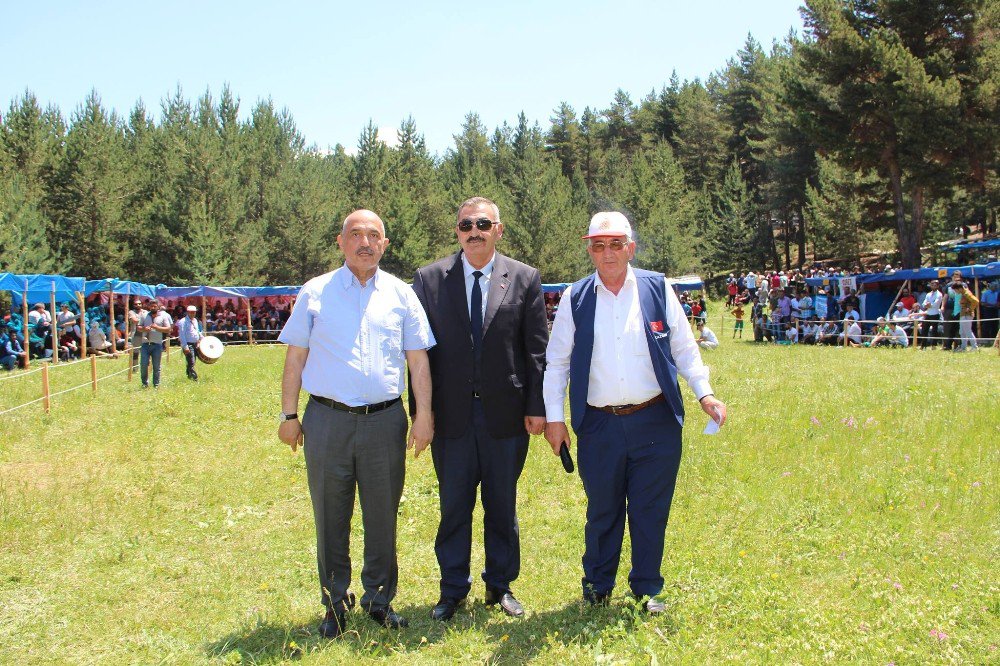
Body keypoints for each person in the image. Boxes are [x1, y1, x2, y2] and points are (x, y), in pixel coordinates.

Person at [543, 212, 727, 613]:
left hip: (655, 421)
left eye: (615, 244)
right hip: (599, 424)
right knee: (603, 510)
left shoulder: (657, 288)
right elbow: (556, 363)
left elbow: (684, 348)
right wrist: (555, 419)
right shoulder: (575, 297)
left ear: (630, 247)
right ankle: (597, 585)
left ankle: (647, 588)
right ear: (589, 249)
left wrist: (705, 394)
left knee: (649, 510)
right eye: (597, 244)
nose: (606, 253)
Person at [277, 209, 434, 639]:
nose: (365, 242)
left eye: (374, 235)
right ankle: (334, 603)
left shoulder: (402, 294)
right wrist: (289, 414)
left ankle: (379, 600)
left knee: (383, 515)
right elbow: (296, 356)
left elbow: (418, 359)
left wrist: (424, 416)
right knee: (330, 514)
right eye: (356, 234)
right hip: (326, 420)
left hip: (385, 421)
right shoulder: (316, 292)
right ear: (341, 241)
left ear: (385, 244)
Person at [411, 196, 547, 622]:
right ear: (457, 231)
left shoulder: (524, 279)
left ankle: (500, 585)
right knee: (453, 506)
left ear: (498, 230)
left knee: (501, 505)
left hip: (506, 416)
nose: (475, 231)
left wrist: (537, 406)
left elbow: (535, 352)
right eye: (467, 224)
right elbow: (417, 356)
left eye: (483, 224)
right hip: (450, 417)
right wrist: (422, 413)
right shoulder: (429, 280)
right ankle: (452, 588)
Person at [139, 300, 172, 388]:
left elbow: (168, 329)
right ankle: (144, 383)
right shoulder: (144, 315)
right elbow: (138, 327)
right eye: (151, 306)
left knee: (156, 366)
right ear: (149, 307)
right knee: (143, 365)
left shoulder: (163, 316)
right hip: (145, 344)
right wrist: (144, 328)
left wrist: (157, 327)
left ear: (158, 306)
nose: (153, 308)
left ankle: (156, 384)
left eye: (155, 306)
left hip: (157, 344)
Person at [178, 305, 204, 380]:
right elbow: (182, 335)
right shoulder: (183, 322)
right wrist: (185, 347)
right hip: (188, 344)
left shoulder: (195, 320)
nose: (193, 313)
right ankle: (194, 377)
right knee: (191, 360)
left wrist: (202, 338)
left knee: (192, 361)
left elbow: (197, 331)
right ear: (188, 312)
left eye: (194, 312)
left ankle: (189, 375)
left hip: (195, 343)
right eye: (191, 312)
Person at [954, 281, 980, 351]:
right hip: (963, 314)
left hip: (967, 315)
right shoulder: (963, 294)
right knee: (962, 331)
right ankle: (963, 347)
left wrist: (970, 308)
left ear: (959, 288)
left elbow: (976, 301)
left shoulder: (967, 293)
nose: (955, 291)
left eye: (955, 290)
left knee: (968, 331)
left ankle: (975, 347)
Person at [920, 281, 943, 349]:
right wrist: (927, 305)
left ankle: (934, 345)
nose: (933, 286)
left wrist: (929, 305)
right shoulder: (928, 294)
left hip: (935, 314)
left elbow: (936, 304)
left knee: (934, 331)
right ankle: (923, 345)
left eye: (935, 285)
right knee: (924, 330)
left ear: (937, 286)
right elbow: (924, 303)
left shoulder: (939, 294)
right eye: (932, 285)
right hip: (928, 313)